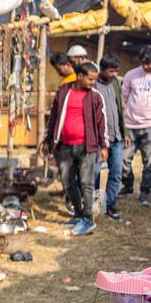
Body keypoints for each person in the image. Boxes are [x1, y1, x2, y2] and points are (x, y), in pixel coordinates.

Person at [44, 62, 108, 236]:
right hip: (64, 146)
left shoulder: (95, 97)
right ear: (80, 76)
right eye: (90, 79)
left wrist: (104, 145)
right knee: (67, 182)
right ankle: (78, 213)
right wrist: (48, 139)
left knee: (87, 183)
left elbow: (102, 123)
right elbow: (53, 117)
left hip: (88, 146)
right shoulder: (63, 92)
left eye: (95, 79)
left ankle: (88, 219)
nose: (93, 82)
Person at [93, 55, 127, 220]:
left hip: (117, 137)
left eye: (116, 70)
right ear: (102, 70)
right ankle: (95, 207)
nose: (115, 73)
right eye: (111, 70)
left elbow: (120, 108)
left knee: (116, 173)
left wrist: (124, 132)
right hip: (99, 139)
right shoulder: (93, 85)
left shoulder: (115, 83)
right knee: (96, 173)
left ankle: (109, 206)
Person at [122, 47, 151, 205]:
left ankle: (145, 192)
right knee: (124, 160)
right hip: (130, 125)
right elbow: (124, 98)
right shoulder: (131, 75)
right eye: (144, 63)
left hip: (150, 126)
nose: (147, 66)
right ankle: (127, 185)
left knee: (149, 162)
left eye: (149, 63)